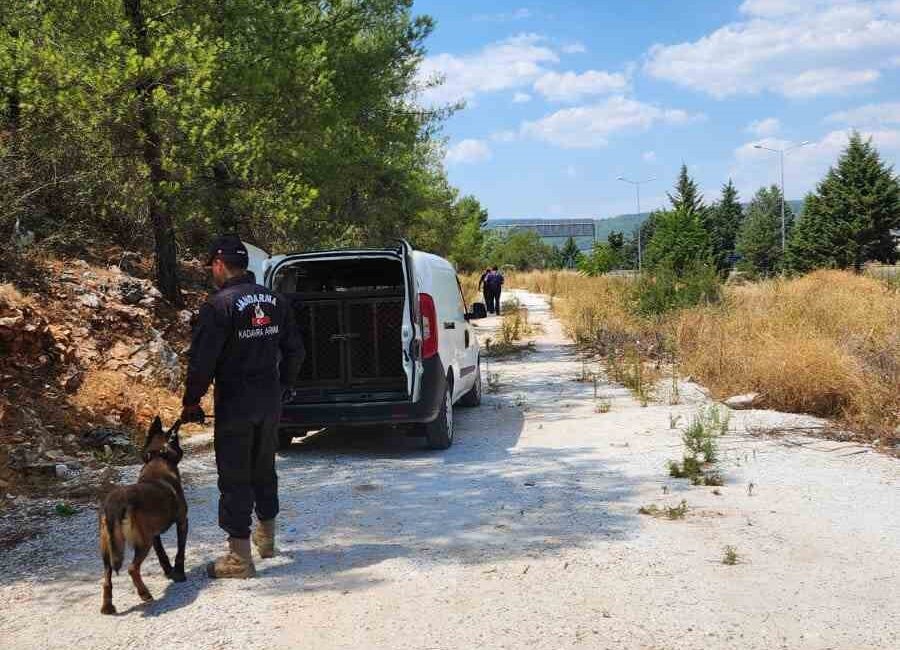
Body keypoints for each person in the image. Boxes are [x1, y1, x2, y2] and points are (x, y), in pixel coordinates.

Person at [181, 234, 304, 579]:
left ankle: (239, 558)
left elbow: (202, 362)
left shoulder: (218, 306)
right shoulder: (276, 300)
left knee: (235, 475)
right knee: (263, 468)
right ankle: (267, 541)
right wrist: (285, 385)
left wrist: (191, 400)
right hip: (269, 401)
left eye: (212, 267)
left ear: (219, 264)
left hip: (236, 402)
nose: (212, 273)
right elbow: (296, 350)